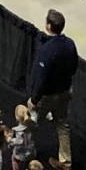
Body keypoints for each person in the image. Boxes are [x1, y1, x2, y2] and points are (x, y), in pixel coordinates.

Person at [24, 9, 78, 155]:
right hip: (65, 91)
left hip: (47, 96)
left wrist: (34, 100)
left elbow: (42, 78)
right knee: (62, 124)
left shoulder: (46, 50)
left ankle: (27, 152)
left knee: (30, 123)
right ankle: (66, 161)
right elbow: (74, 67)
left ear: (48, 26)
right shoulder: (70, 44)